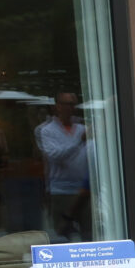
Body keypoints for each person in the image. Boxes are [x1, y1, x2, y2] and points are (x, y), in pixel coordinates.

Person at [35, 91, 92, 240]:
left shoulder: (81, 129)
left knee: (89, 232)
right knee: (62, 235)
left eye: (73, 104)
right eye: (67, 104)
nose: (70, 108)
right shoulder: (47, 131)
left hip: (84, 190)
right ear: (57, 107)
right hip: (61, 190)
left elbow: (92, 156)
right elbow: (55, 156)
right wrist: (79, 141)